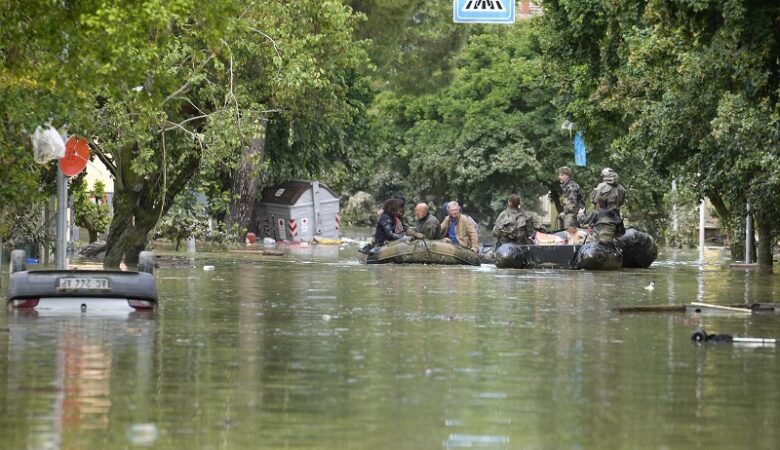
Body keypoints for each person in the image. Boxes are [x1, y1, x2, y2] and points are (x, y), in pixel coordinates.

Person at [581, 168, 626, 244]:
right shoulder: (621, 188)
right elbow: (621, 202)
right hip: (616, 220)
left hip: (602, 220)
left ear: (605, 176)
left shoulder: (601, 186)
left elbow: (594, 200)